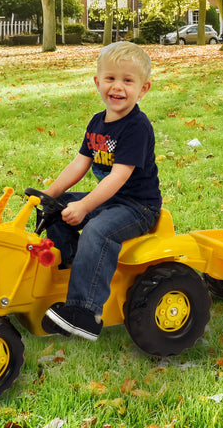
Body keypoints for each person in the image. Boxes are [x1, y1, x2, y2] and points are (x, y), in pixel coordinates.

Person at [42, 41, 162, 340]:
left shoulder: (137, 127)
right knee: (55, 210)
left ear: (143, 89)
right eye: (110, 78)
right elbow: (80, 163)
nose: (117, 87)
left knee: (98, 230)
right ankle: (70, 266)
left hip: (137, 206)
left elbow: (118, 177)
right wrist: (50, 194)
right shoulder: (98, 122)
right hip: (112, 200)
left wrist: (84, 207)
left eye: (127, 80)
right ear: (97, 82)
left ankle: (85, 312)